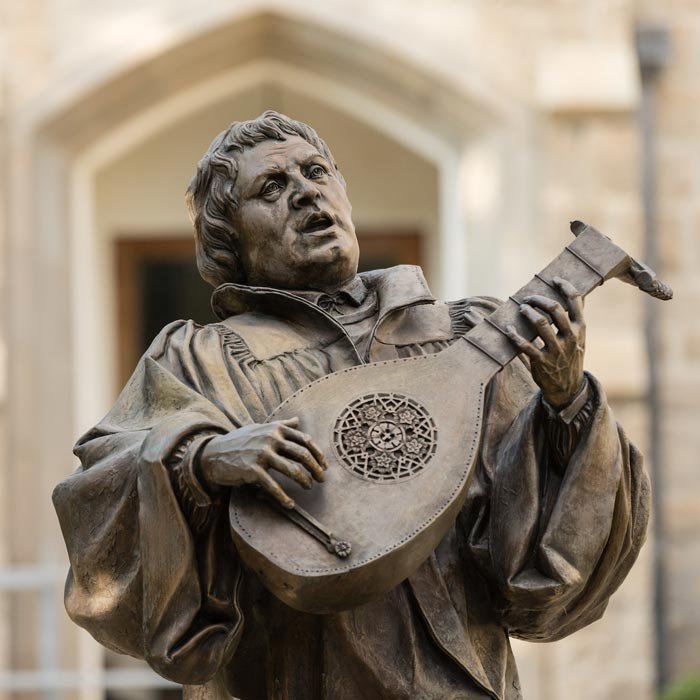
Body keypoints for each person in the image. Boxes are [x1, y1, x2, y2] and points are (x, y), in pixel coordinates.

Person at [53, 111, 650, 700]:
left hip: (457, 679)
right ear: (229, 236)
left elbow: (542, 568)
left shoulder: (467, 337)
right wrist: (198, 459)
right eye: (272, 187)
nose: (305, 193)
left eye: (317, 172)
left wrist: (566, 403)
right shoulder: (200, 359)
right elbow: (100, 509)